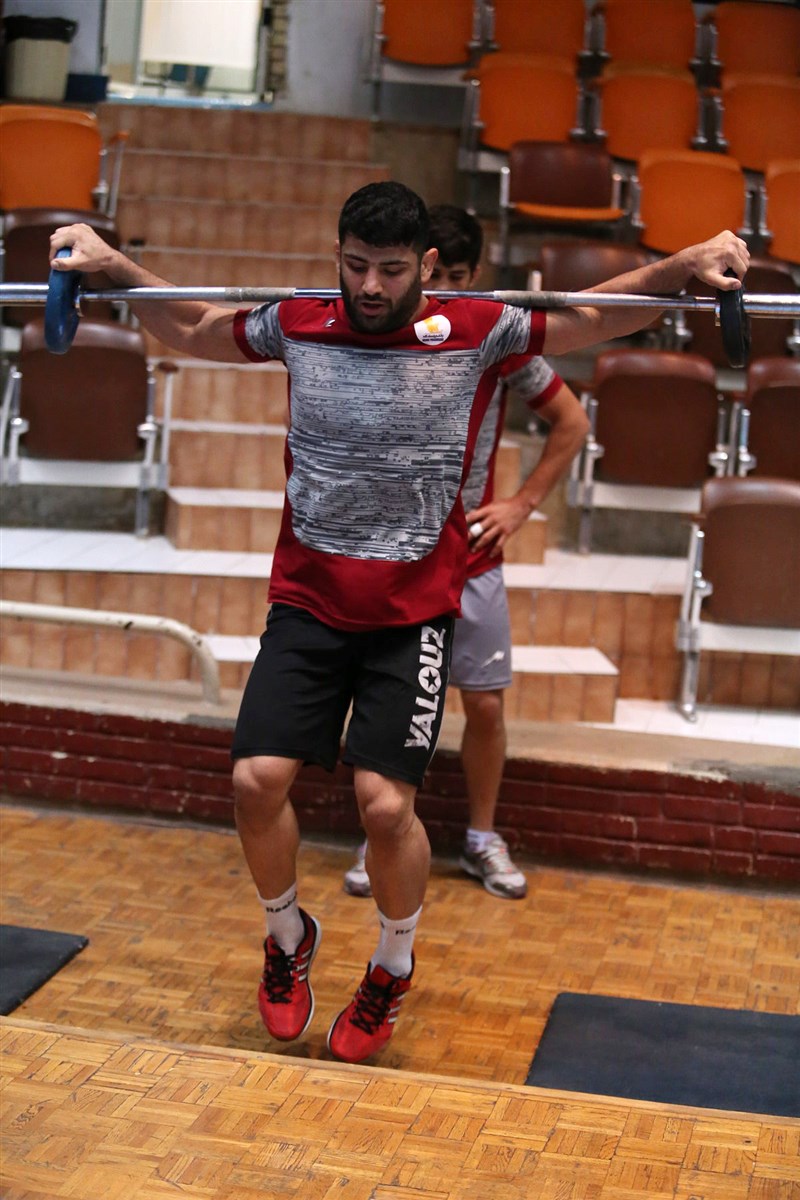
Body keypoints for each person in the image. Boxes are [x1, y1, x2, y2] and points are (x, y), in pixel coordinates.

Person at [50, 183, 749, 1065]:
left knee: (385, 808)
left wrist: (683, 267)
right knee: (255, 782)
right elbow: (192, 323)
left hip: (413, 614)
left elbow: (588, 315)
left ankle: (391, 964)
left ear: (426, 265)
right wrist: (114, 267)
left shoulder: (477, 328)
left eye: (388, 270)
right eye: (354, 266)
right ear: (336, 257)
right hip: (308, 602)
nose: (370, 287)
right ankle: (287, 937)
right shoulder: (300, 323)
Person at [342, 204, 590, 902]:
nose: (446, 287)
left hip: (470, 556)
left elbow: (571, 422)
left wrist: (520, 505)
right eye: (437, 274)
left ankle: (481, 836)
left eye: (459, 275)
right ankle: (384, 831)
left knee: (483, 706)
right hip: (393, 555)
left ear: (475, 274)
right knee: (386, 701)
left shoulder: (498, 341)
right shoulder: (385, 330)